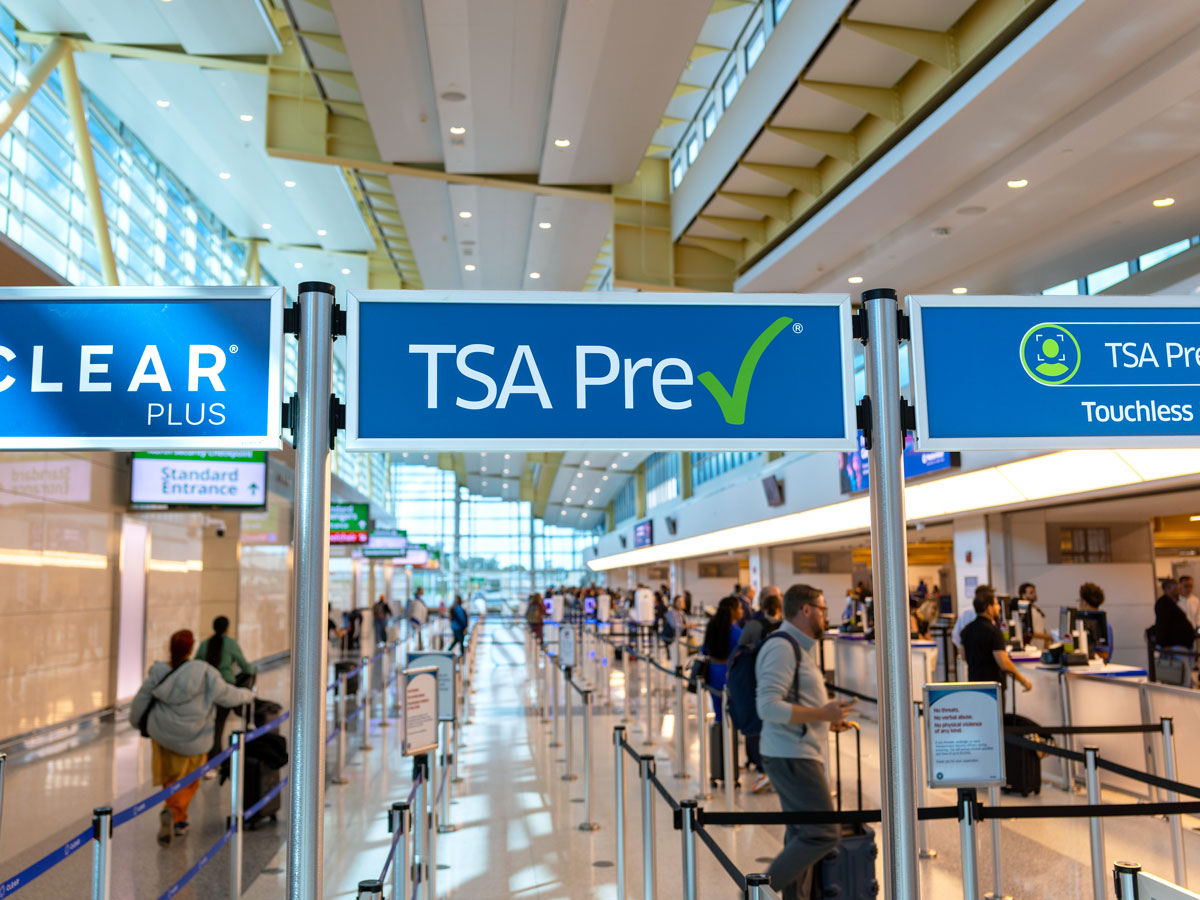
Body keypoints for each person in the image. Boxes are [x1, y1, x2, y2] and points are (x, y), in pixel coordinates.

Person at [756, 584, 854, 900]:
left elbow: (795, 702)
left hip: (799, 751)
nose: (827, 616)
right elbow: (767, 706)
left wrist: (827, 718)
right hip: (791, 755)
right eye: (824, 609)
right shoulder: (782, 647)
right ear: (807, 609)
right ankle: (758, 893)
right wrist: (821, 714)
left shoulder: (801, 647)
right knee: (822, 833)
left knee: (801, 833)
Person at [130, 630, 254, 847]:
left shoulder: (159, 671)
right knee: (190, 778)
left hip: (163, 733)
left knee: (171, 776)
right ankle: (178, 818)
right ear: (191, 648)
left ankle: (172, 810)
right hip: (196, 736)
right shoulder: (204, 672)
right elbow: (227, 695)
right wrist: (248, 694)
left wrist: (135, 721)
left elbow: (142, 699)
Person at [737, 586, 783, 790]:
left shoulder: (752, 624)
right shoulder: (785, 627)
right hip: (776, 681)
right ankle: (768, 767)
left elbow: (740, 648)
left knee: (756, 723)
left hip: (754, 680)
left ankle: (759, 764)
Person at [195, 616, 257, 764]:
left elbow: (196, 664)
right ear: (227, 628)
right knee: (220, 723)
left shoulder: (205, 644)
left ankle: (209, 755)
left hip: (207, 688)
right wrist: (254, 670)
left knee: (209, 723)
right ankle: (216, 757)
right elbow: (246, 666)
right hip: (225, 688)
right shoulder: (231, 644)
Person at [960, 585, 1032, 695]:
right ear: (989, 608)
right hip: (992, 688)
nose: (999, 607)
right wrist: (1023, 681)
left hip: (974, 685)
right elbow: (1003, 662)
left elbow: (963, 655)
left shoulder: (967, 630)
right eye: (996, 604)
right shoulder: (993, 632)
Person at [701, 596, 744, 724]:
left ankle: (720, 739)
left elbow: (704, 649)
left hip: (712, 672)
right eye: (740, 608)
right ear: (733, 610)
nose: (742, 611)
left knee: (718, 712)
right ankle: (732, 740)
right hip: (730, 673)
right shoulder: (737, 632)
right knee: (733, 710)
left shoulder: (711, 626)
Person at [1155, 578, 1195, 686]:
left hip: (1180, 646)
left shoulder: (1172, 603)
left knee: (1185, 677)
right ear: (1168, 588)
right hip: (1174, 647)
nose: (1180, 589)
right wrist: (1164, 644)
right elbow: (1162, 624)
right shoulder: (1164, 603)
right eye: (1177, 587)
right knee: (1181, 679)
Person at [1078, 582, 1114, 661]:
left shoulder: (1103, 625)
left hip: (1098, 670)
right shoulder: (1082, 623)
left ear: (1084, 602)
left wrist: (1080, 655)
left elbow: (1104, 654)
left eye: (1079, 601)